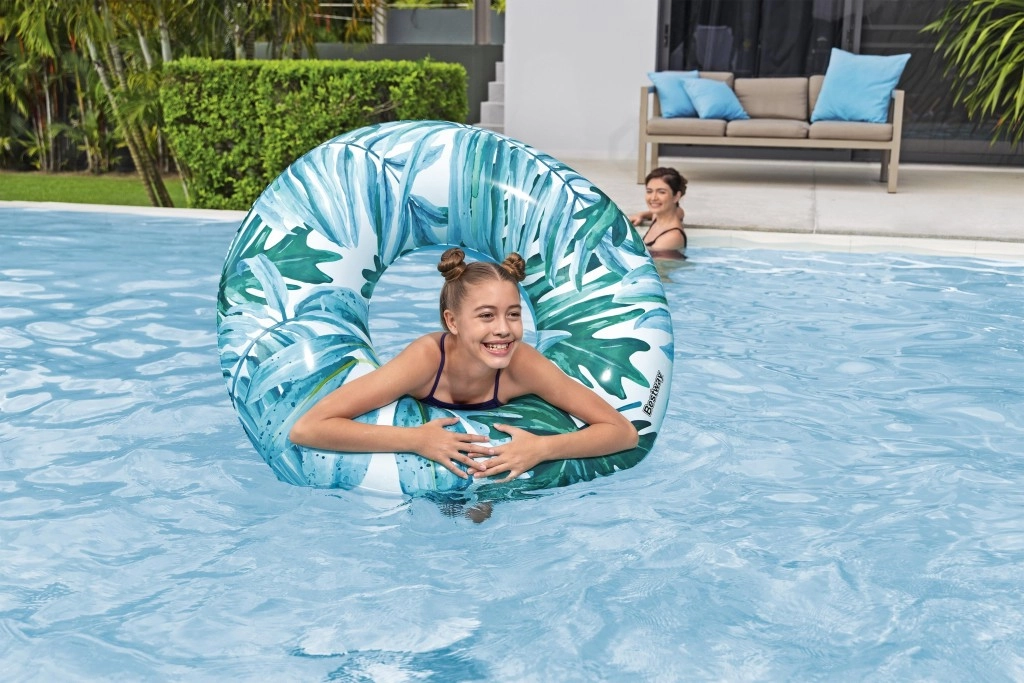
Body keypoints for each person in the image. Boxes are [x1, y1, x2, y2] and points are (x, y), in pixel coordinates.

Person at [288, 247, 639, 485]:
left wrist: (543, 448)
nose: (503, 329)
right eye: (486, 315)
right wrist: (415, 439)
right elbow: (308, 428)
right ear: (452, 322)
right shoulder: (425, 361)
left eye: (513, 314)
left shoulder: (523, 364)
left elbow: (622, 432)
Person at [629, 167, 688, 259]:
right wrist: (641, 215)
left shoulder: (671, 237)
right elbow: (680, 211)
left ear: (676, 196)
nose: (653, 198)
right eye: (649, 191)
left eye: (661, 192)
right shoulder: (659, 216)